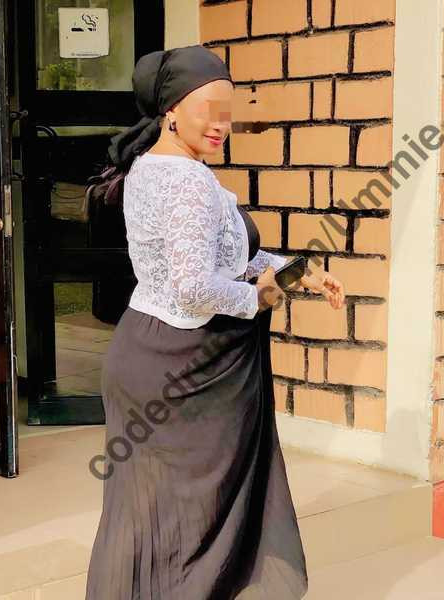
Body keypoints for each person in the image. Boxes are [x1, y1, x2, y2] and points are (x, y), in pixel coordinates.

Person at [85, 44, 345, 600]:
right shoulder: (186, 181)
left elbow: (226, 258)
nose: (221, 124)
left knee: (149, 526)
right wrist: (260, 298)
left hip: (148, 352)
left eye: (228, 111)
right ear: (171, 110)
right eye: (208, 109)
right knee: (189, 536)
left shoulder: (150, 168)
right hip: (186, 368)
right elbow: (194, 287)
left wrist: (298, 271)